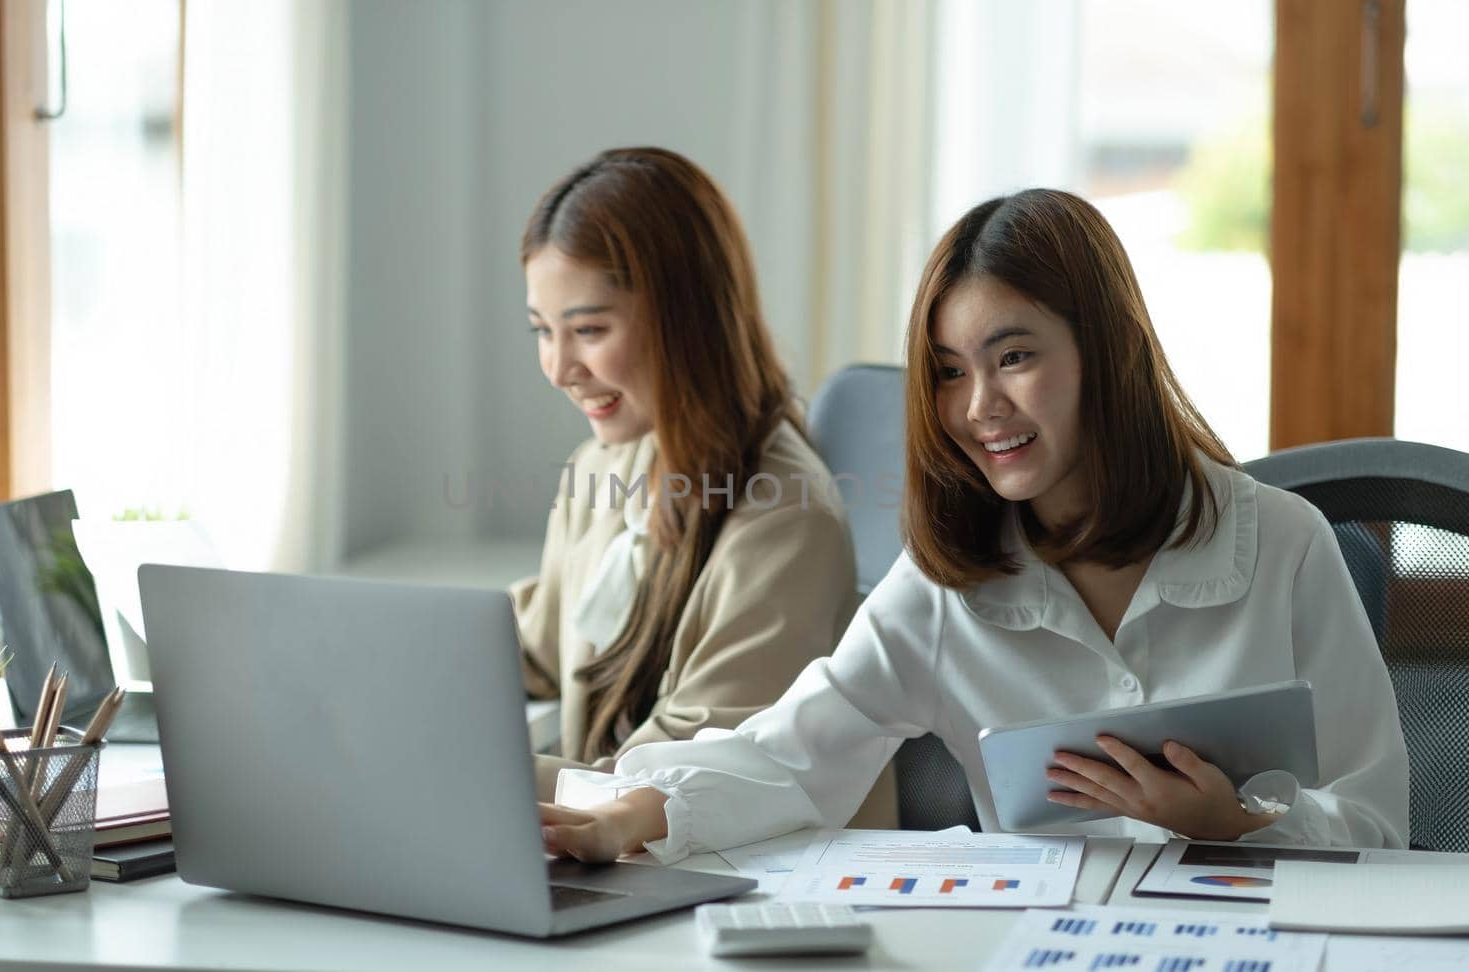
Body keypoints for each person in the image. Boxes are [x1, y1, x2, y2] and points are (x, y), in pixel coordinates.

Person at [538, 188, 1409, 863]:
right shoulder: (950, 581)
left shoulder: (1285, 545)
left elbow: (1377, 824)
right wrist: (624, 819)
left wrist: (1241, 821)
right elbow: (792, 754)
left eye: (1015, 357)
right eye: (950, 372)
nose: (980, 408)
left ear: (1106, 353)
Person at [511, 147, 896, 827]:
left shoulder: (785, 519)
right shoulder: (600, 468)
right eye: (544, 331)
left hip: (727, 872)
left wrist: (479, 771)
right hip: (607, 858)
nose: (559, 367)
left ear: (684, 319)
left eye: (589, 330)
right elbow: (539, 648)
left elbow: (662, 790)